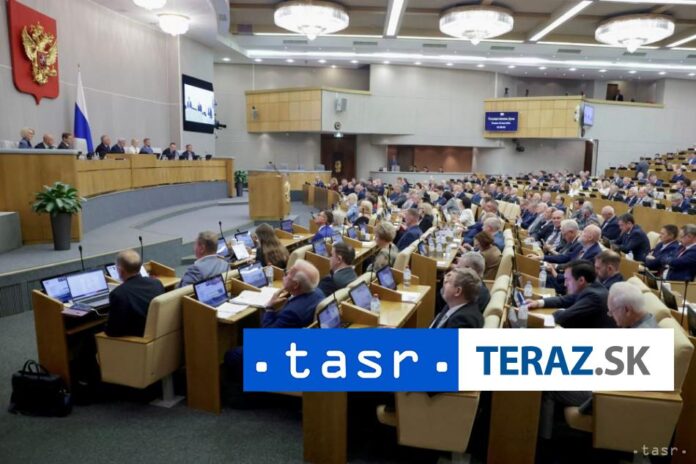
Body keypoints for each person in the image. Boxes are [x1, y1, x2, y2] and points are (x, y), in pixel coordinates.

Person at [539, 281, 654, 441]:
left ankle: (543, 442)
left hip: (606, 396)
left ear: (627, 310)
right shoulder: (645, 322)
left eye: (612, 312)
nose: (611, 317)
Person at [525, 260, 616, 329]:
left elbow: (564, 318)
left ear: (581, 280)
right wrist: (538, 302)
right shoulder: (591, 285)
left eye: (567, 279)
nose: (565, 284)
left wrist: (562, 311)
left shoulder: (594, 296)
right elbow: (565, 299)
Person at [105, 249, 165, 337]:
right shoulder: (156, 283)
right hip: (159, 333)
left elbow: (113, 332)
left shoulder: (118, 294)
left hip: (137, 340)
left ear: (120, 271)